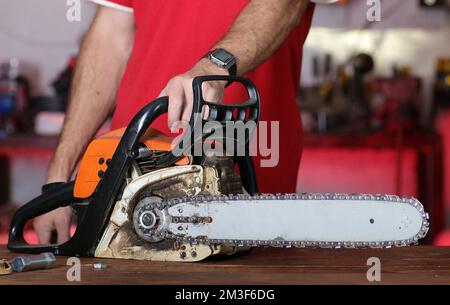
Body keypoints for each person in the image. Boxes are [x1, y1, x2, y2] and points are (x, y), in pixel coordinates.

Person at [33, 0, 316, 244]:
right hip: (128, 178)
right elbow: (111, 36)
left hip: (248, 170)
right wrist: (58, 177)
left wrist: (215, 65)